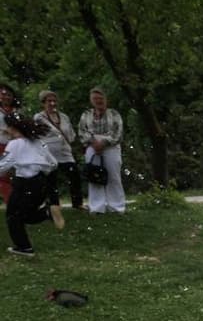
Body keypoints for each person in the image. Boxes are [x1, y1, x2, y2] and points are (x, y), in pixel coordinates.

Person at [1, 114, 57, 257]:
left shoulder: (14, 144)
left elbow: (3, 166)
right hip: (41, 183)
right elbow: (53, 163)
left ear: (12, 128)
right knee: (26, 215)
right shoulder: (38, 142)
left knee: (13, 216)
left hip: (25, 184)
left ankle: (24, 247)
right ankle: (47, 213)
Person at [34, 90, 80, 226]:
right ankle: (54, 206)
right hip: (49, 154)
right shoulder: (39, 117)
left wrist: (67, 138)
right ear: (43, 103)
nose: (52, 103)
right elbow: (38, 134)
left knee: (74, 176)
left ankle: (77, 203)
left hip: (65, 152)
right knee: (51, 181)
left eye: (54, 101)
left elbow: (71, 134)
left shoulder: (64, 117)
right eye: (49, 101)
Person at [78, 87, 126, 213]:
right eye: (95, 98)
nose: (98, 101)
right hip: (92, 147)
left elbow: (118, 133)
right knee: (94, 176)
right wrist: (94, 142)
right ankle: (96, 208)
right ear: (91, 100)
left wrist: (104, 143)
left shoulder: (114, 114)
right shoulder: (86, 114)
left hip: (111, 147)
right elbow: (82, 131)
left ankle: (116, 207)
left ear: (105, 99)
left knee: (114, 177)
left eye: (100, 98)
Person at [0, 83, 20, 205]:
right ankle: (12, 202)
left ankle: (21, 201)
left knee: (19, 174)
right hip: (1, 145)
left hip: (18, 145)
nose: (6, 97)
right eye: (3, 94)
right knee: (3, 175)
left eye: (9, 95)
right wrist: (5, 130)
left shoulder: (17, 111)